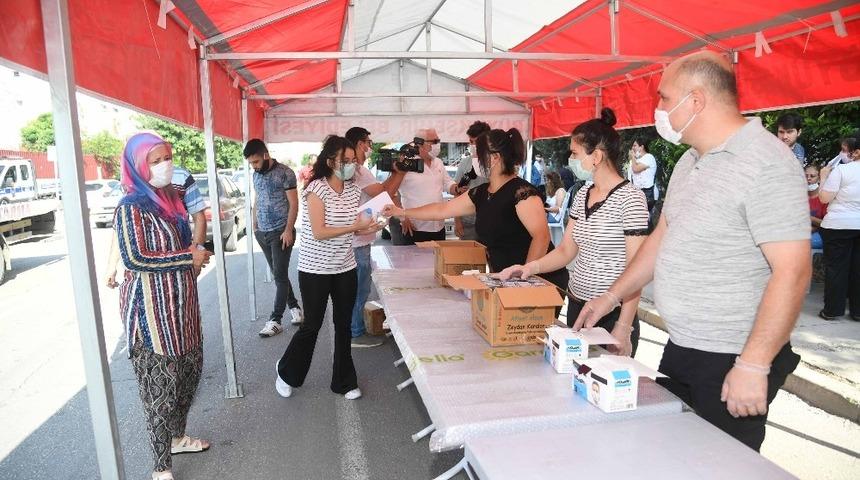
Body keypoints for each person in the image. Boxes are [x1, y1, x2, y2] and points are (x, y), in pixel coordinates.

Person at [574, 51, 809, 452]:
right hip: (684, 347)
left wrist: (753, 363)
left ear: (696, 101)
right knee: (668, 455)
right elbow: (661, 237)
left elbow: (794, 271)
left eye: (665, 98)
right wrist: (610, 296)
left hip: (730, 355)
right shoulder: (690, 161)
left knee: (718, 465)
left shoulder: (765, 162)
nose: (659, 109)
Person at [499, 108, 648, 356]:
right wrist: (529, 268)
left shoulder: (631, 199)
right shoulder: (582, 195)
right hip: (578, 307)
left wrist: (624, 326)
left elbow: (637, 270)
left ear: (596, 156)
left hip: (612, 316)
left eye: (575, 153)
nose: (571, 159)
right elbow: (567, 250)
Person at [112, 133, 213, 480]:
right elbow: (135, 257)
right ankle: (161, 468)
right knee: (159, 390)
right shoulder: (130, 207)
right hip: (151, 315)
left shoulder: (171, 199)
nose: (165, 165)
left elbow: (186, 242)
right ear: (139, 166)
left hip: (182, 306)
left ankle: (177, 437)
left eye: (167, 157)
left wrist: (196, 252)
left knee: (189, 375)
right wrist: (188, 256)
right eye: (155, 160)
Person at [383, 128, 569, 300]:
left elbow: (542, 238)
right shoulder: (481, 192)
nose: (476, 161)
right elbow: (442, 210)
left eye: (479, 155)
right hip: (508, 279)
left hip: (539, 280)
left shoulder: (522, 193)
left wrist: (526, 279)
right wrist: (402, 211)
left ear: (494, 158)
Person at [275, 136, 380, 400]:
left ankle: (344, 382)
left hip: (345, 266)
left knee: (343, 325)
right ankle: (287, 371)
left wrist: (372, 223)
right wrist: (357, 227)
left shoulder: (354, 190)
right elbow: (321, 232)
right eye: (345, 161)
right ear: (331, 161)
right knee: (312, 325)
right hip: (315, 270)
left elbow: (358, 220)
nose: (350, 166)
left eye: (353, 161)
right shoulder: (315, 189)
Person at [344, 126, 406, 347]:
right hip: (357, 240)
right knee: (358, 289)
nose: (370, 147)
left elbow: (383, 193)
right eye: (369, 143)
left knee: (358, 288)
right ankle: (355, 332)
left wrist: (397, 174)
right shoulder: (358, 170)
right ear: (361, 143)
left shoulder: (355, 169)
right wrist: (398, 173)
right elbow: (383, 193)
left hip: (359, 237)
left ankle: (354, 329)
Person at [105, 165, 207, 288]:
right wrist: (111, 266)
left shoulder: (181, 176)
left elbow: (199, 216)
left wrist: (197, 256)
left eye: (166, 157)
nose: (164, 162)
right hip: (147, 277)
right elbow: (123, 229)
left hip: (181, 267)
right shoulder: (133, 178)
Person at [244, 138, 303, 338]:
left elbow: (294, 204)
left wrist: (288, 230)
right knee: (280, 274)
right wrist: (254, 224)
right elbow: (257, 199)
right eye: (251, 163)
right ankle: (295, 308)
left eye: (256, 162)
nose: (254, 166)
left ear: (265, 155)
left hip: (281, 232)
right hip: (262, 232)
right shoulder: (256, 175)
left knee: (279, 275)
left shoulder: (286, 173)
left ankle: (275, 319)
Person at [817, 131, 860, 321]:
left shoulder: (842, 171)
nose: (844, 154)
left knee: (836, 269)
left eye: (847, 151)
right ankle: (858, 312)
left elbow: (824, 198)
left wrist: (823, 176)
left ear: (856, 152)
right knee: (858, 268)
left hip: (838, 225)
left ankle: (832, 310)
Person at [391, 128, 459, 244]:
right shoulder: (406, 164)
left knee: (437, 261)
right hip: (414, 227)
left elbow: (448, 183)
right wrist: (403, 217)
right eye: (434, 142)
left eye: (438, 141)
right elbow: (392, 192)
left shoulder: (438, 162)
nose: (437, 145)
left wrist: (457, 188)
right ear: (419, 144)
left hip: (438, 226)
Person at [453, 121, 491, 240]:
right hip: (467, 222)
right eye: (471, 141)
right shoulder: (465, 163)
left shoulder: (496, 162)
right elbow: (457, 193)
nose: (473, 145)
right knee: (468, 257)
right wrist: (457, 221)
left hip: (490, 222)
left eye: (477, 141)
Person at [628, 137, 658, 212]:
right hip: (637, 194)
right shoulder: (634, 161)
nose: (632, 148)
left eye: (635, 145)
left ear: (642, 147)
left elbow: (636, 169)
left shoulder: (649, 157)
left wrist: (632, 157)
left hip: (648, 193)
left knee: (644, 218)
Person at [806, 164, 826, 250]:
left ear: (819, 178)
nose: (808, 179)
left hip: (819, 234)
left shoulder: (824, 198)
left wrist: (810, 218)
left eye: (812, 176)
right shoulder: (798, 197)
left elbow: (826, 223)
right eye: (805, 176)